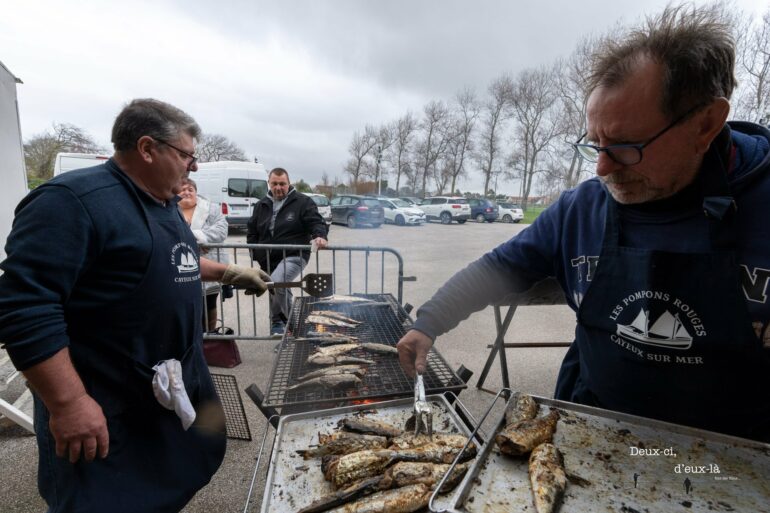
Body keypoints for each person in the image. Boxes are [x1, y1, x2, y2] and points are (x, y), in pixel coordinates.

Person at [397, 4, 770, 442]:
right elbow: (502, 267)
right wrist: (430, 321)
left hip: (733, 457)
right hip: (593, 434)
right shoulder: (583, 206)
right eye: (595, 144)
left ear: (706, 124)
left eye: (626, 147)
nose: (602, 169)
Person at [0, 98, 270, 512]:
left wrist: (227, 274)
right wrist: (68, 403)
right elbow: (23, 305)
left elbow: (172, 256)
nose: (192, 167)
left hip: (163, 387)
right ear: (147, 148)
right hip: (106, 399)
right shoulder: (72, 202)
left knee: (171, 480)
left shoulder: (161, 200)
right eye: (186, 155)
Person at [247, 167, 329, 336]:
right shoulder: (261, 205)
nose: (278, 187)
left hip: (294, 255)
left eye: (282, 184)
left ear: (289, 183)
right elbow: (252, 231)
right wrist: (255, 252)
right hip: (268, 258)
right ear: (269, 184)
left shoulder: (303, 202)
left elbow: (316, 221)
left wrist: (320, 235)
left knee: (277, 283)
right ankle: (290, 326)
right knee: (277, 288)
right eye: (274, 184)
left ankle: (284, 324)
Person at [178, 176, 232, 332]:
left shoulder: (212, 209)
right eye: (183, 189)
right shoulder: (169, 208)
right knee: (186, 304)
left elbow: (221, 230)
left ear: (196, 192)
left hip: (211, 264)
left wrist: (196, 238)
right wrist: (197, 240)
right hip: (182, 266)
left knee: (209, 303)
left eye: (190, 189)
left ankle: (209, 337)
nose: (186, 192)